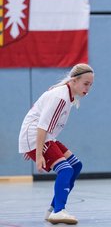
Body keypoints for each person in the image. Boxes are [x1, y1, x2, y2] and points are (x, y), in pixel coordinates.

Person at [18, 63, 94, 224]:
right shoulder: (60, 97)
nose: (88, 88)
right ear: (74, 80)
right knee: (65, 170)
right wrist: (37, 153)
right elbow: (42, 126)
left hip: (43, 137)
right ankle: (59, 210)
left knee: (75, 166)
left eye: (90, 85)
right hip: (36, 136)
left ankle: (52, 210)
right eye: (86, 83)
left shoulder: (67, 94)